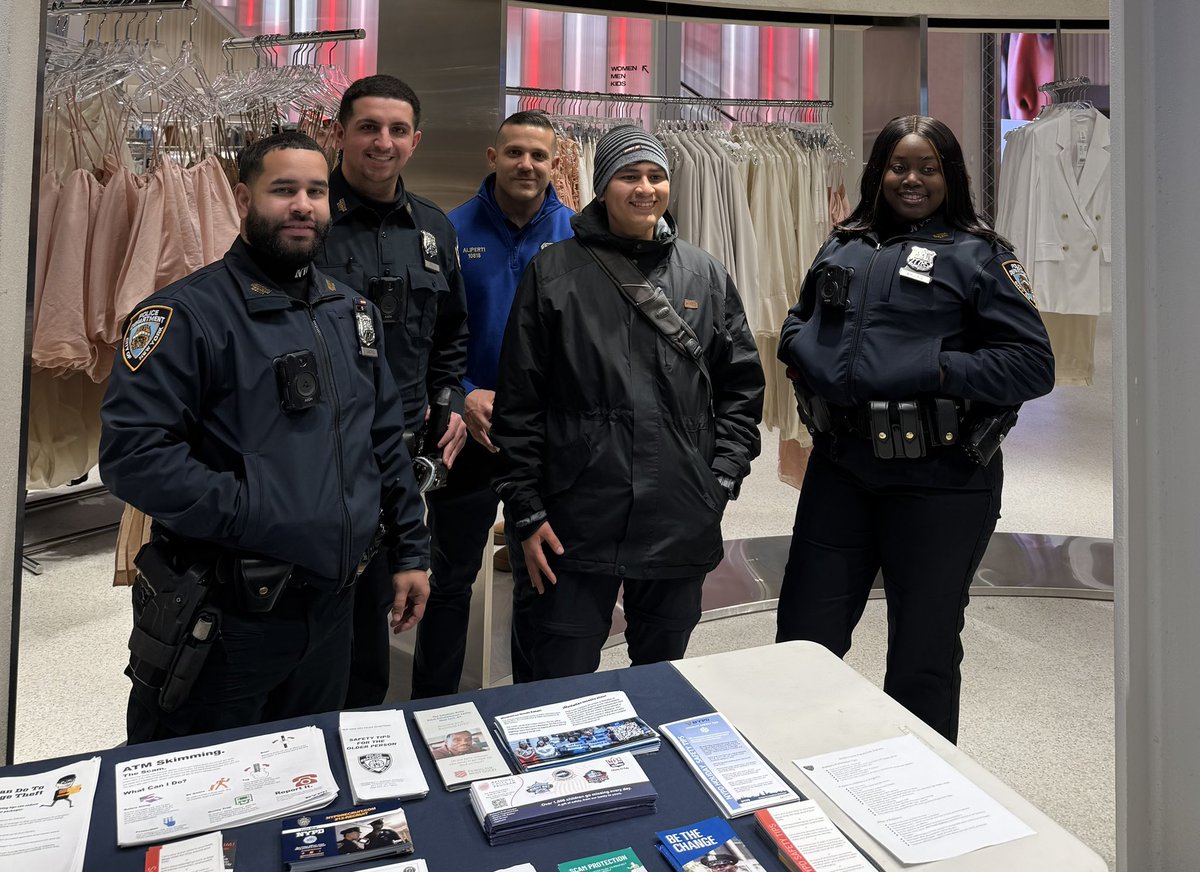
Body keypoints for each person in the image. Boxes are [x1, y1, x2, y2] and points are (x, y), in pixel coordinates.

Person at [100, 132, 430, 743]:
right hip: (226, 619)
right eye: (283, 190)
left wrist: (412, 551)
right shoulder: (184, 317)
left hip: (332, 609)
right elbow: (134, 458)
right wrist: (267, 512)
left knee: (311, 773)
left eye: (316, 191)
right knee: (202, 786)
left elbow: (385, 441)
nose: (303, 205)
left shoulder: (352, 314)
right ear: (242, 197)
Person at [774, 115, 1055, 744]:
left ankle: (921, 786)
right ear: (878, 173)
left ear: (950, 175)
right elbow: (800, 319)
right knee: (802, 640)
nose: (912, 179)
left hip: (939, 481)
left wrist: (931, 367)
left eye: (928, 168)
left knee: (922, 655)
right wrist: (807, 350)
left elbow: (1033, 365)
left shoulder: (980, 256)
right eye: (898, 166)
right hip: (842, 470)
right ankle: (792, 768)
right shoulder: (843, 244)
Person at [491, 125, 765, 682]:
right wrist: (527, 511)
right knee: (557, 684)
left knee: (660, 681)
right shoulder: (554, 273)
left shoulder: (704, 274)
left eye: (656, 176)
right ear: (602, 187)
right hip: (575, 519)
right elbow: (520, 403)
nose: (645, 188)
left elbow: (741, 387)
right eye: (628, 176)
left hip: (679, 515)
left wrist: (719, 480)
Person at [315, 75, 470, 708]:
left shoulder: (434, 229)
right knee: (316, 618)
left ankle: (360, 731)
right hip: (318, 447)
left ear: (415, 141)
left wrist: (449, 398)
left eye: (397, 130)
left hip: (399, 453)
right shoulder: (306, 215)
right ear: (339, 134)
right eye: (368, 128)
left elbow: (452, 330)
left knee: (372, 626)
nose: (383, 142)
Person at [412, 110, 574, 698]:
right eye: (514, 153)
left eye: (538, 155)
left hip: (544, 439)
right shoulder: (449, 231)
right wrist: (464, 391)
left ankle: (532, 704)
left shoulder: (578, 235)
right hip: (468, 432)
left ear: (554, 162)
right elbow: (427, 335)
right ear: (492, 157)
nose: (526, 164)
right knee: (451, 579)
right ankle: (432, 705)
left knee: (539, 575)